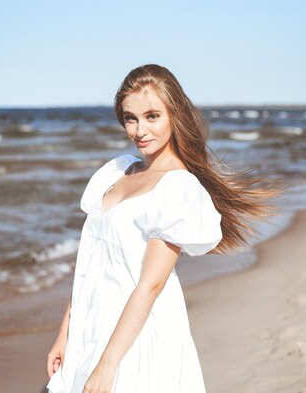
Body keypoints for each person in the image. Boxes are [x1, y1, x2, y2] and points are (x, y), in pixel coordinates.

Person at [46, 64, 280, 393]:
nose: (140, 129)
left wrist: (107, 365)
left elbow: (151, 286)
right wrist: (65, 335)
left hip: (135, 339)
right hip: (93, 326)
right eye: (131, 118)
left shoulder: (177, 189)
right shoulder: (117, 171)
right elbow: (90, 265)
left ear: (174, 115)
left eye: (152, 116)